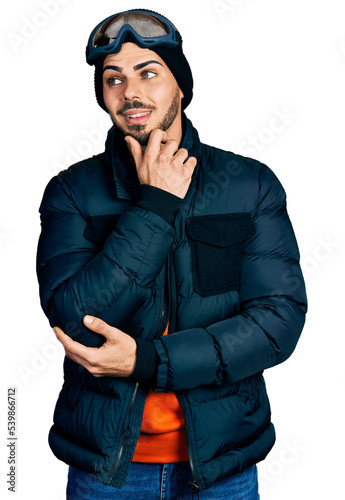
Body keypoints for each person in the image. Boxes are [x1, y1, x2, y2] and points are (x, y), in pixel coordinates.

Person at [36, 8, 307, 499]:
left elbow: (277, 323)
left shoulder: (249, 185)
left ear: (180, 86)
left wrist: (146, 361)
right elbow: (74, 319)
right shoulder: (71, 192)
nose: (130, 92)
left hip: (222, 468)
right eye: (113, 78)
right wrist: (154, 207)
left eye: (149, 73)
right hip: (107, 471)